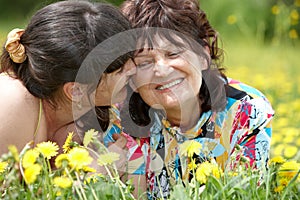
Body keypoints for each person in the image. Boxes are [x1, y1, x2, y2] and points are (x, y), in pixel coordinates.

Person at [114, 0, 275, 199]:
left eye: (173, 53)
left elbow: (244, 194)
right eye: (145, 62)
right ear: (131, 76)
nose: (162, 70)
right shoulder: (117, 118)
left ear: (203, 55)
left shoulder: (246, 110)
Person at [0, 0, 135, 155]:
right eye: (120, 70)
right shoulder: (11, 103)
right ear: (76, 91)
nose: (133, 68)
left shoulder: (91, 116)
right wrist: (95, 173)